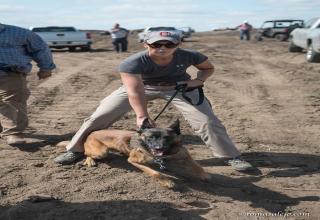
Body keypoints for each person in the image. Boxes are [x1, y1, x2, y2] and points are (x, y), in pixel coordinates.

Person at [54, 30, 253, 172]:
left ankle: (230, 156)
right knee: (98, 116)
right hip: (142, 87)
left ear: (178, 44)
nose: (163, 48)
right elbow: (134, 90)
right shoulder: (132, 62)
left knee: (207, 120)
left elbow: (208, 68)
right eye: (156, 44)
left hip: (178, 87)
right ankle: (75, 149)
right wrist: (142, 116)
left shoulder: (191, 55)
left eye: (169, 44)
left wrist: (198, 80)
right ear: (146, 44)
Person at [0, 23, 56, 145]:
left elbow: (40, 49)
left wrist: (46, 68)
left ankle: (13, 133)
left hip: (9, 73)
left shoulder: (19, 33)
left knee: (13, 102)